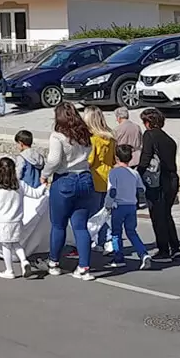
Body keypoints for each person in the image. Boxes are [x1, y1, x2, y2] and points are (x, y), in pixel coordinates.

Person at [42, 103, 97, 281]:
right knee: (80, 226)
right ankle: (84, 267)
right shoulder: (85, 134)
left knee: (58, 225)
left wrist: (45, 174)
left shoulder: (57, 136)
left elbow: (54, 160)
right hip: (85, 178)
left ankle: (54, 262)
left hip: (65, 179)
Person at [0, 157, 47, 279]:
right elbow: (35, 194)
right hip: (17, 221)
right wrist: (44, 186)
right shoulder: (20, 185)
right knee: (16, 243)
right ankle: (24, 261)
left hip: (3, 222)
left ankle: (9, 270)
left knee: (6, 246)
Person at [138, 108, 180, 262]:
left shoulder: (149, 135)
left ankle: (163, 249)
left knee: (157, 215)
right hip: (172, 179)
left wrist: (138, 174)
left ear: (148, 122)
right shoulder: (169, 140)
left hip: (158, 180)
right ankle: (175, 248)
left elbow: (146, 157)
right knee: (166, 214)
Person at [104, 144, 153, 271]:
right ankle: (143, 254)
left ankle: (118, 258)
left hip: (118, 206)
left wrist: (107, 205)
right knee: (132, 232)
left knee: (116, 233)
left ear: (116, 157)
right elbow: (141, 188)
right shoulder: (134, 173)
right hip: (131, 206)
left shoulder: (114, 172)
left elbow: (112, 191)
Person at [83, 105, 116, 253]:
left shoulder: (93, 139)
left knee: (94, 213)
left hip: (95, 177)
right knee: (105, 212)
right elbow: (113, 159)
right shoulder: (110, 137)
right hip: (108, 176)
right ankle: (105, 241)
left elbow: (90, 160)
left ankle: (95, 240)